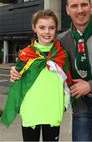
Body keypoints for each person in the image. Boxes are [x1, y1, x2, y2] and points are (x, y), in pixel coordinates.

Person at [10, 0, 92, 141]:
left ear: (91, 6)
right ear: (67, 10)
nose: (80, 10)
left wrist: (90, 86)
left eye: (84, 5)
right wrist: (17, 69)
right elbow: (37, 56)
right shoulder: (60, 41)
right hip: (83, 106)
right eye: (74, 6)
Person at [1, 10, 72, 141]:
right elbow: (17, 81)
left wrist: (65, 104)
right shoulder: (25, 54)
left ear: (56, 29)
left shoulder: (62, 55)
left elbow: (68, 82)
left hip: (52, 112)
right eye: (42, 27)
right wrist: (14, 73)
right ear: (34, 28)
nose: (47, 32)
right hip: (30, 112)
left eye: (51, 28)